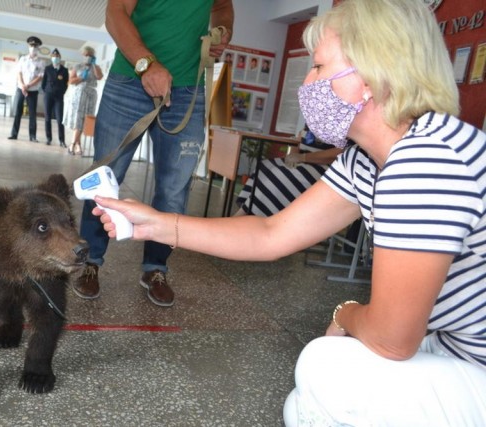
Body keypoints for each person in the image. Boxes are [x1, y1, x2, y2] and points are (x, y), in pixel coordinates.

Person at [92, 0, 486, 424]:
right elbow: (271, 233)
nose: (308, 84)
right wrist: (155, 223)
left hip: (471, 360)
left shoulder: (427, 162)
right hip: (453, 345)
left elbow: (391, 340)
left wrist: (344, 313)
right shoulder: (368, 158)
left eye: (318, 67)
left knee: (322, 364)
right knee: (303, 406)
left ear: (373, 74)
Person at [73, 0, 234, 308]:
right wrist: (146, 63)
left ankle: (155, 269)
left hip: (187, 89)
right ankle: (90, 261)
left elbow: (224, 6)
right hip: (129, 82)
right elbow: (115, 12)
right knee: (105, 178)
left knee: (175, 188)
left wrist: (223, 30)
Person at [234, 129, 343, 217]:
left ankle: (246, 216)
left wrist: (302, 157)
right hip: (301, 161)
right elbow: (299, 142)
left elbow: (339, 152)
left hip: (322, 167)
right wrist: (293, 154)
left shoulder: (342, 126)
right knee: (264, 166)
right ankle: (247, 213)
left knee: (278, 175)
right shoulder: (315, 117)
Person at [64, 46, 103, 155]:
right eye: (85, 55)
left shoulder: (96, 67)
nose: (87, 57)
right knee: (78, 118)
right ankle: (74, 144)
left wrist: (94, 64)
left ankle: (76, 144)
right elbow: (71, 81)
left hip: (90, 95)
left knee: (85, 119)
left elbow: (99, 77)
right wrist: (81, 78)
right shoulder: (78, 66)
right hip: (79, 94)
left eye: (89, 55)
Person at [8, 36, 45, 142]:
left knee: (32, 114)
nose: (33, 47)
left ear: (38, 48)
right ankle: (14, 134)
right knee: (17, 112)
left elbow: (39, 77)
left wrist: (28, 86)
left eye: (35, 46)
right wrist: (23, 85)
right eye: (31, 45)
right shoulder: (22, 59)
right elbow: (19, 73)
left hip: (32, 91)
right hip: (20, 89)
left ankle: (32, 136)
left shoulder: (41, 62)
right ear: (28, 46)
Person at [41, 48, 69, 147]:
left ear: (60, 58)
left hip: (59, 97)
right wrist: (47, 91)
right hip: (48, 95)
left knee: (60, 118)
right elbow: (43, 83)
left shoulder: (64, 70)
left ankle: (62, 140)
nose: (55, 58)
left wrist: (61, 91)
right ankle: (49, 138)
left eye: (57, 57)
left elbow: (66, 84)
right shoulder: (47, 69)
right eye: (53, 57)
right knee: (47, 118)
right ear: (51, 58)